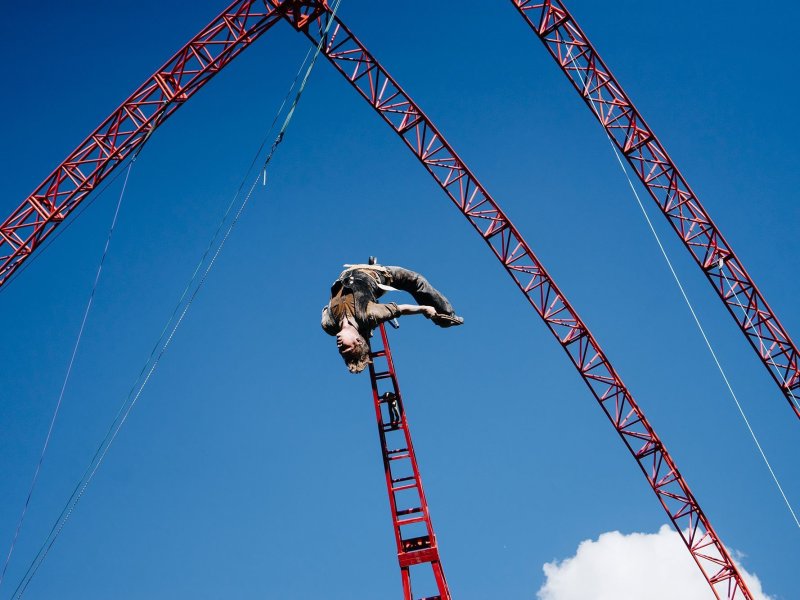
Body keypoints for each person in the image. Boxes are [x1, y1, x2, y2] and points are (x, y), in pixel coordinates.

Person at [321, 263, 463, 373]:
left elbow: (325, 310)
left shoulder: (329, 324)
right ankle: (447, 317)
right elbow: (400, 309)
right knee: (416, 281)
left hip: (348, 273)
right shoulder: (369, 315)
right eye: (345, 347)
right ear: (357, 341)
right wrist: (424, 309)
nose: (339, 345)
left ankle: (365, 331)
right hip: (375, 274)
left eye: (340, 349)